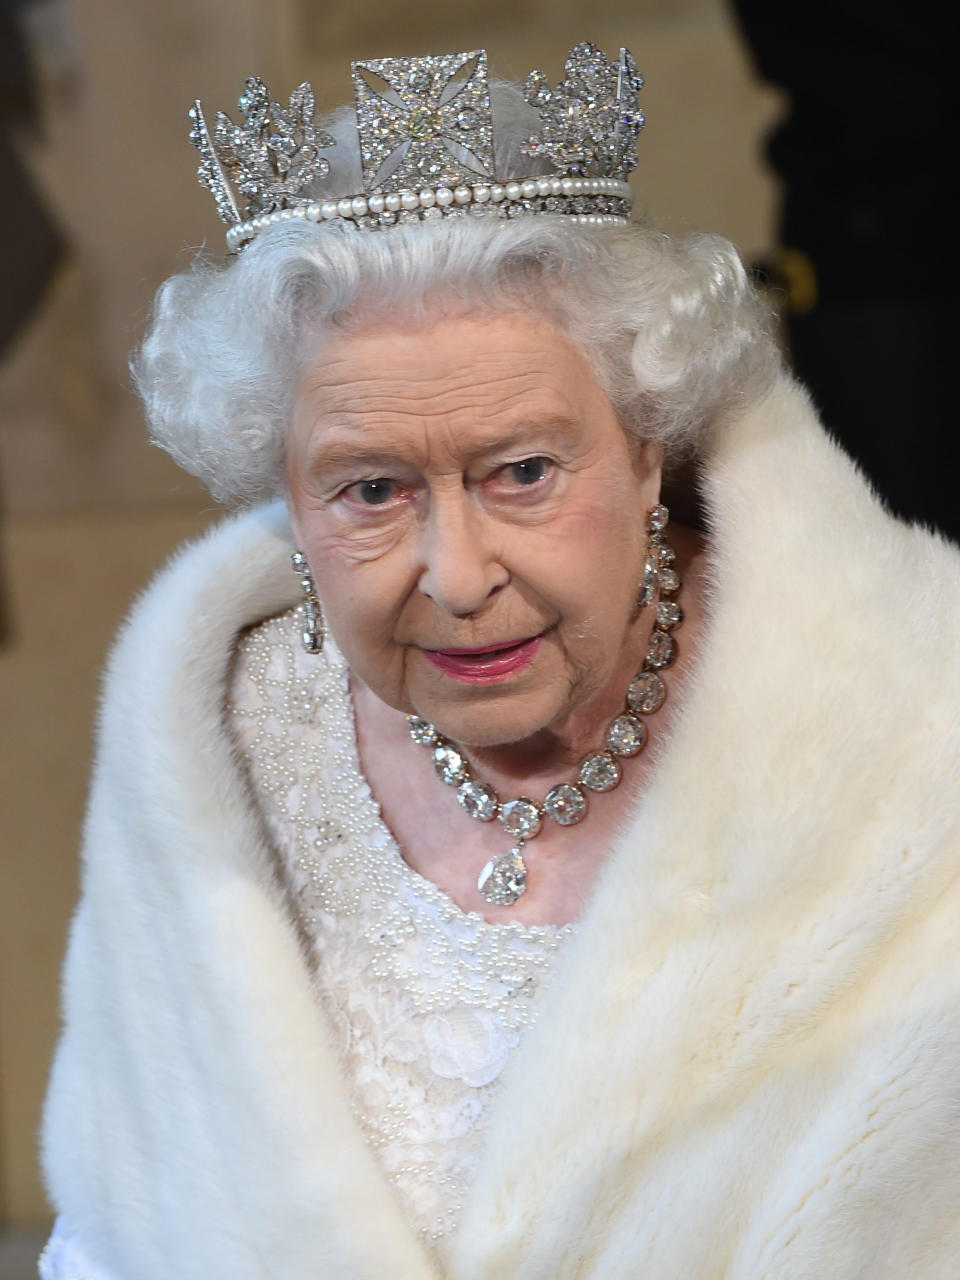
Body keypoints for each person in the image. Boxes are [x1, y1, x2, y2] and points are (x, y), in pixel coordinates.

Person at [39, 44, 960, 1280]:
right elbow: (117, 1227)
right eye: (370, 489)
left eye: (522, 470)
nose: (457, 574)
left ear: (646, 448)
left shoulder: (912, 718)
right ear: (286, 495)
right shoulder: (215, 741)